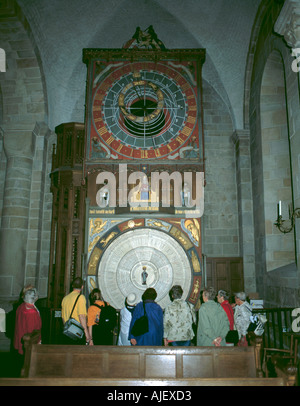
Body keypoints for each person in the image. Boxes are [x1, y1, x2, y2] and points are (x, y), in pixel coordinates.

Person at [14, 285, 42, 355]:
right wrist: (38, 341)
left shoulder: (22, 306)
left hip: (21, 339)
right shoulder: (31, 312)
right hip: (28, 344)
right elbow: (31, 331)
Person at [61, 277, 90, 345]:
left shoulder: (65, 298)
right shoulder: (81, 298)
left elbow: (63, 317)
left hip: (67, 332)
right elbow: (82, 316)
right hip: (77, 333)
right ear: (82, 287)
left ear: (72, 286)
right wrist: (86, 333)